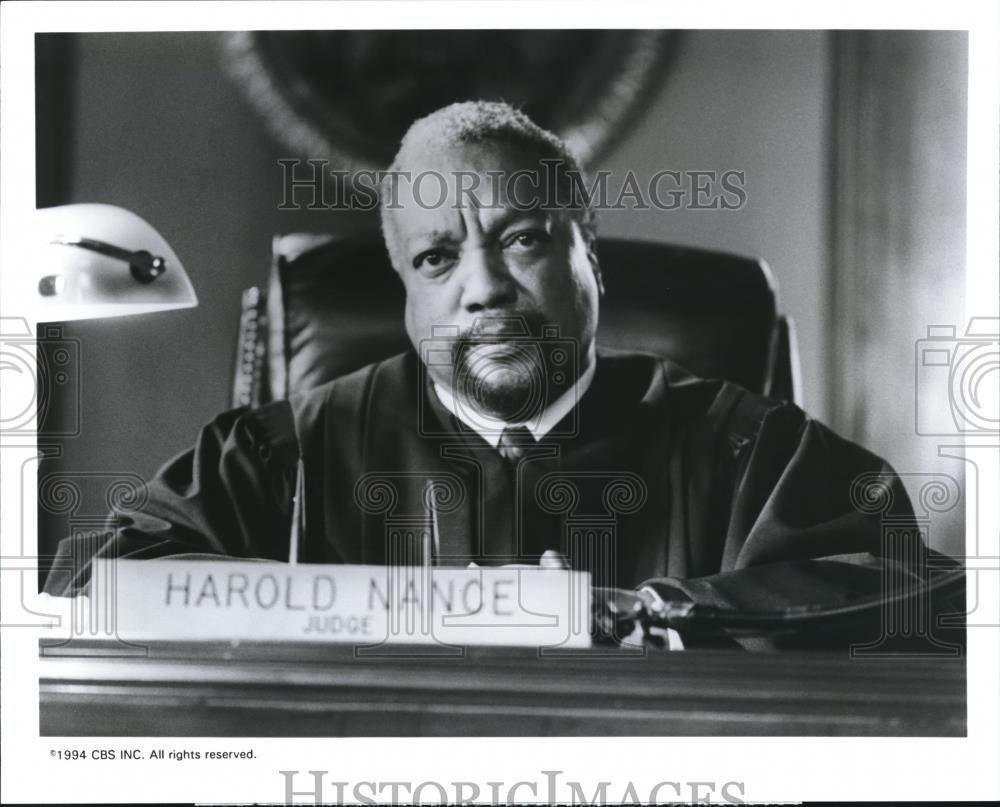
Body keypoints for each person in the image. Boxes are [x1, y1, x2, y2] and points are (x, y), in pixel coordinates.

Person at [45, 102, 961, 649]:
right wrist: (402, 607)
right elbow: (93, 591)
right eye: (438, 259)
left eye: (520, 239)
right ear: (404, 287)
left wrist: (651, 609)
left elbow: (923, 591)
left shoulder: (746, 443)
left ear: (588, 254)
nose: (483, 287)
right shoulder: (281, 451)